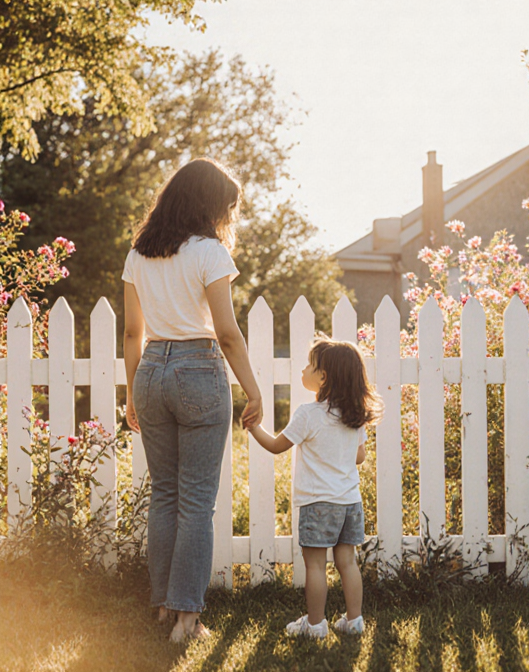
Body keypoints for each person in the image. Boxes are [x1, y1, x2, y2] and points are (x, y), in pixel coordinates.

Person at [123, 158, 263, 643]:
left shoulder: (139, 254)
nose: (228, 215)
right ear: (208, 204)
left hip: (151, 371)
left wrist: (133, 393)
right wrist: (253, 389)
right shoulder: (209, 252)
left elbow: (132, 333)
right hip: (198, 370)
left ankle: (163, 609)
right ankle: (187, 620)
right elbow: (227, 334)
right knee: (197, 502)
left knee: (164, 494)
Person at [246, 336, 381, 638]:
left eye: (310, 365)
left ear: (323, 377)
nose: (303, 369)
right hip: (350, 502)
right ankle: (354, 620)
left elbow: (276, 446)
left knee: (316, 566)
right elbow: (359, 457)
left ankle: (316, 624)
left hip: (318, 502)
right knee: (348, 562)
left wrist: (253, 427)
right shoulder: (355, 416)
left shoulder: (308, 414)